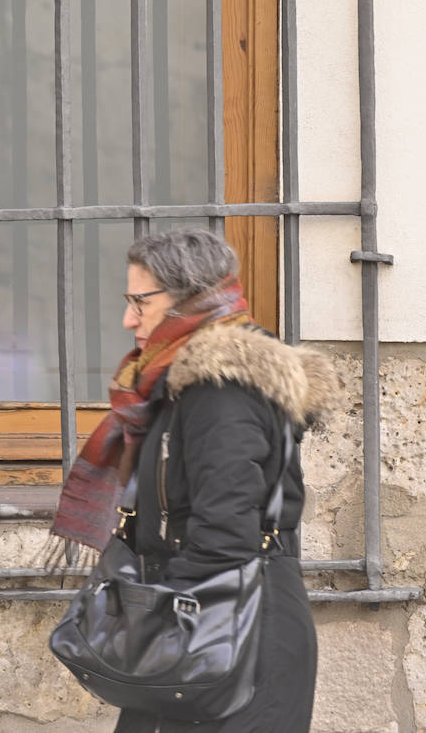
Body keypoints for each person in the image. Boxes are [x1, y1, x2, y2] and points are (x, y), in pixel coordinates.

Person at [50, 228, 337, 733]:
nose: (128, 319)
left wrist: (157, 626)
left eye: (141, 301)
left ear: (190, 297)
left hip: (230, 633)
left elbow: (226, 528)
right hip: (198, 621)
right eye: (128, 300)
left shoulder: (220, 389)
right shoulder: (179, 381)